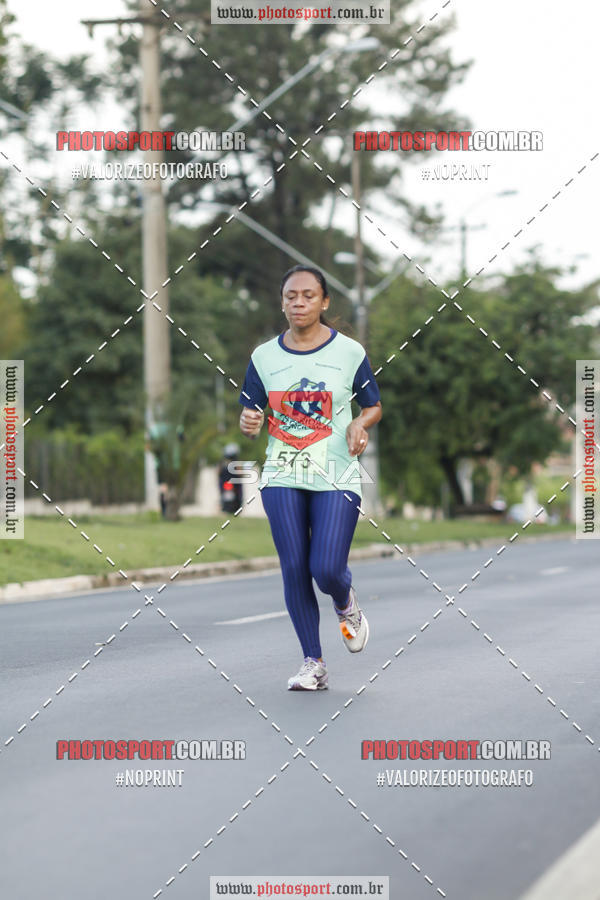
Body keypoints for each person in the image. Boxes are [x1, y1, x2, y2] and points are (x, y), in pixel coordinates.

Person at [238, 265, 382, 691]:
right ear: (282, 302)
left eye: (307, 295)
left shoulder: (349, 352)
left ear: (324, 302)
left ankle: (344, 598)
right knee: (295, 568)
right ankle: (312, 663)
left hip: (335, 471)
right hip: (283, 470)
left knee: (326, 567)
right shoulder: (263, 357)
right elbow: (251, 413)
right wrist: (249, 421)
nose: (298, 303)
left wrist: (361, 423)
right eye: (290, 296)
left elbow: (373, 403)